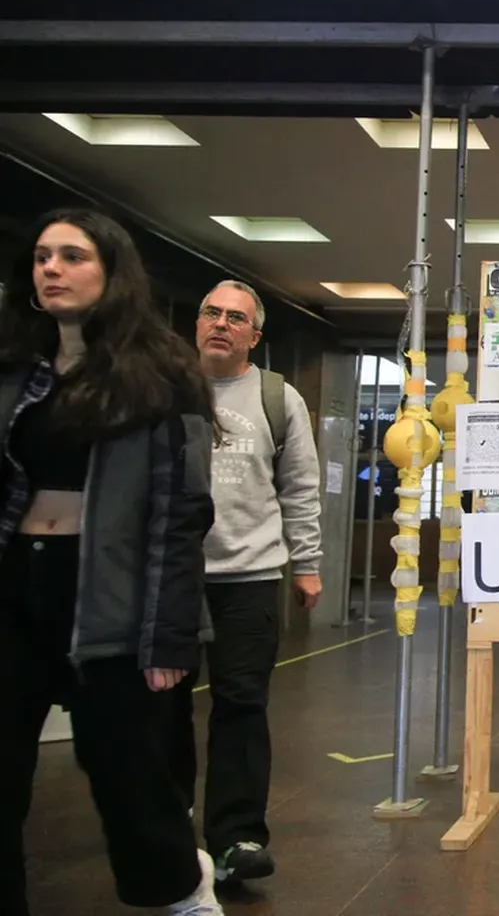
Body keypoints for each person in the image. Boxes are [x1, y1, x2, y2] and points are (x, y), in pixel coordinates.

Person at [0, 208, 223, 915]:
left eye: (71, 256)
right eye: (42, 258)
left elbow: (181, 512)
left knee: (128, 776)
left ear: (112, 272)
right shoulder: (13, 371)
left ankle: (184, 894)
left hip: (109, 596)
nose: (52, 270)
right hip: (16, 585)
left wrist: (169, 635)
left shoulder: (160, 377)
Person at [175, 279, 323, 886]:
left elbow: (300, 485)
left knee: (240, 708)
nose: (221, 323)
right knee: (161, 711)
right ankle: (167, 828)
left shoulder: (275, 397)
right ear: (197, 323)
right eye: (211, 312)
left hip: (250, 578)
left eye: (235, 318)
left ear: (254, 336)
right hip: (171, 578)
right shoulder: (161, 389)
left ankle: (236, 838)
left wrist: (307, 562)